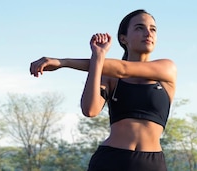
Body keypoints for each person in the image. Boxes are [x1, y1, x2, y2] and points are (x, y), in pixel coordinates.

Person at [29, 9, 175, 170]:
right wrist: (97, 57)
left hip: (151, 164)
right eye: (139, 28)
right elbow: (90, 110)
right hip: (111, 160)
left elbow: (123, 69)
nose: (148, 33)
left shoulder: (166, 68)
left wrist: (63, 62)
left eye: (153, 29)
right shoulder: (110, 77)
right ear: (123, 38)